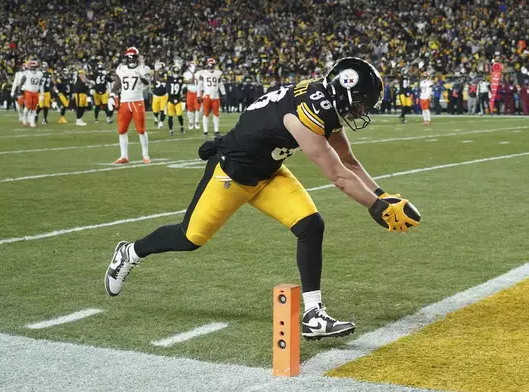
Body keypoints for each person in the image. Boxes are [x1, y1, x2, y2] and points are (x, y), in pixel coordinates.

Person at [104, 57, 421, 340]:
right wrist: (376, 207)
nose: (363, 110)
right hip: (232, 174)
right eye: (362, 102)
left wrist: (382, 195)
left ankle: (313, 315)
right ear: (344, 91)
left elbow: (349, 160)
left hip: (268, 172)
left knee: (311, 225)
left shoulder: (326, 102)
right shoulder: (309, 111)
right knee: (190, 237)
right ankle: (130, 252)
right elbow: (338, 176)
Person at [111, 47, 151, 165]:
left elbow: (147, 83)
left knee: (141, 130)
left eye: (133, 57)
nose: (131, 60)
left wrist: (141, 75)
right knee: (122, 130)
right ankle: (124, 155)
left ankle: (145, 155)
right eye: (129, 57)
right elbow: (118, 83)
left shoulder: (143, 68)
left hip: (137, 101)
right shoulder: (121, 69)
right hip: (124, 102)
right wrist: (112, 94)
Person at [198, 58, 225, 136]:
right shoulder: (203, 73)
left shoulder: (218, 73)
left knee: (216, 114)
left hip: (215, 96)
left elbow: (220, 84)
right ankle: (205, 131)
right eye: (210, 64)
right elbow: (199, 85)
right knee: (206, 113)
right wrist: (198, 95)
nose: (211, 66)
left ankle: (216, 130)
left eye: (212, 64)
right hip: (206, 95)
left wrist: (224, 93)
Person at [19, 60, 43, 128]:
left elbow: (41, 84)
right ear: (29, 67)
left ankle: (32, 122)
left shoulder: (40, 74)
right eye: (32, 67)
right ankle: (24, 118)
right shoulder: (26, 73)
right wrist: (19, 91)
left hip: (35, 92)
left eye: (35, 67)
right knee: (28, 107)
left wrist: (41, 93)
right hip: (28, 92)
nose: (33, 68)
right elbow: (21, 82)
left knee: (34, 108)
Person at [166, 65, 185, 135]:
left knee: (179, 115)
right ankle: (171, 130)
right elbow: (159, 78)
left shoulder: (181, 78)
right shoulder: (168, 78)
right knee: (170, 116)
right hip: (171, 99)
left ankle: (182, 126)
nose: (176, 73)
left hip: (178, 99)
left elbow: (189, 81)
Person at [183, 61, 201, 130]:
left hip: (197, 92)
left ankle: (196, 122)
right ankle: (191, 123)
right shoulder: (186, 74)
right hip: (189, 92)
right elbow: (184, 82)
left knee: (197, 109)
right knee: (190, 109)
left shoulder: (199, 73)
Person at [152, 62, 168, 129]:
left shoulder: (166, 74)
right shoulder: (155, 75)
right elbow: (155, 80)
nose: (161, 70)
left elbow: (163, 79)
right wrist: (155, 71)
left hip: (164, 95)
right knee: (155, 111)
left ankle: (161, 122)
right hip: (156, 96)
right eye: (160, 69)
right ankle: (156, 117)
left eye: (162, 69)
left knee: (163, 110)